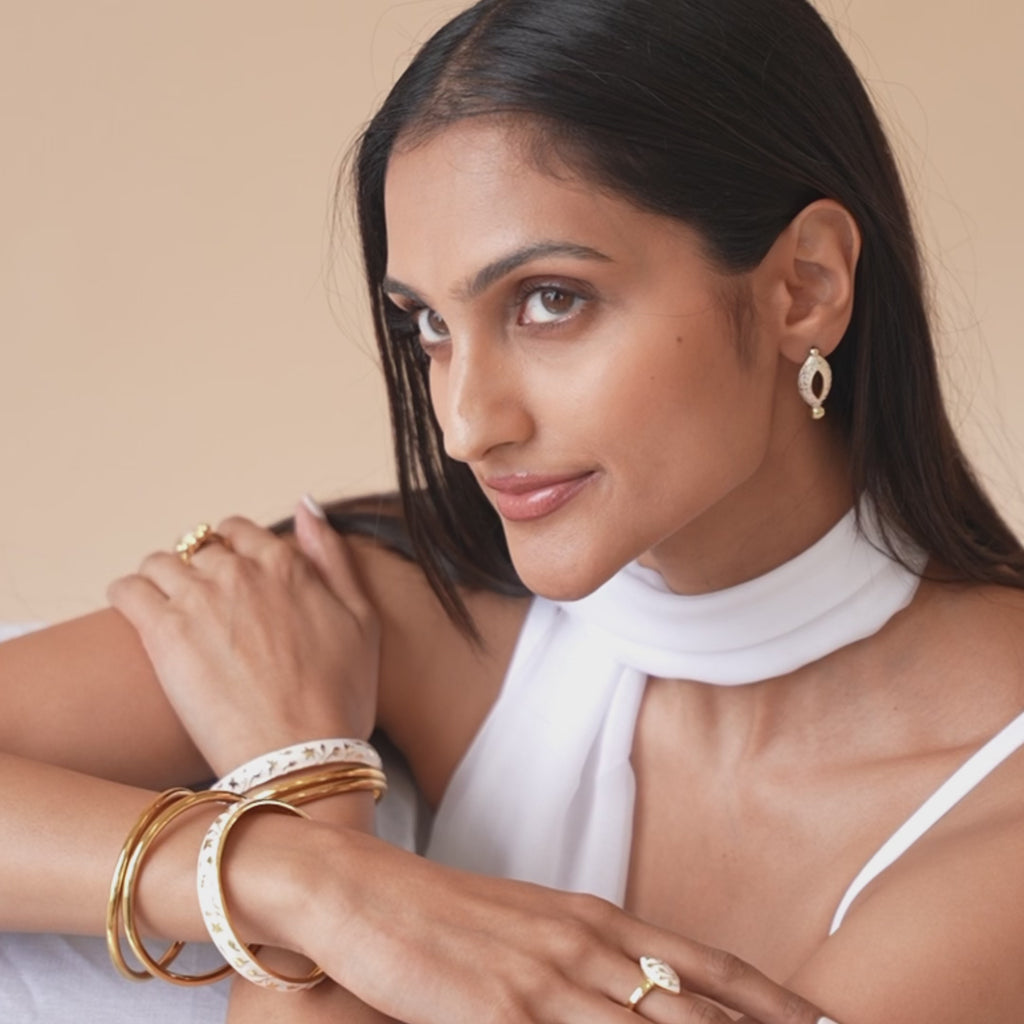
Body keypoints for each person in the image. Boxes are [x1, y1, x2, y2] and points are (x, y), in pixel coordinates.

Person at [2, 0, 1024, 1021]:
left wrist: (306, 787)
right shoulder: (386, 605)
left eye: (549, 300)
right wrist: (305, 877)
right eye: (429, 325)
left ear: (804, 285)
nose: (465, 425)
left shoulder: (995, 816)